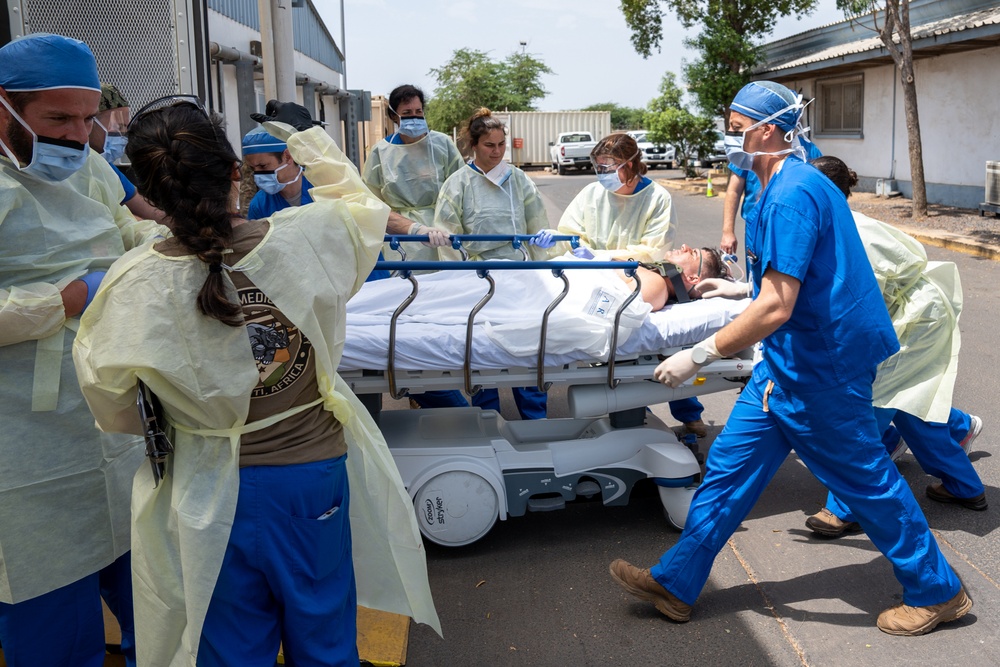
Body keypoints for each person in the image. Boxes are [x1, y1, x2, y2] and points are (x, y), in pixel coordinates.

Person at [73, 98, 439, 666]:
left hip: (205, 489)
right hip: (307, 479)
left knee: (229, 647)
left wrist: (196, 411)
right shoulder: (307, 240)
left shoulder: (131, 283)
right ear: (237, 172)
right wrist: (311, 140)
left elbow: (114, 408)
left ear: (144, 189)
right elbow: (364, 211)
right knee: (323, 637)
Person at [608, 80, 971, 636]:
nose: (728, 139)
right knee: (727, 472)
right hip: (784, 365)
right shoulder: (770, 186)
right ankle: (677, 582)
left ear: (769, 130)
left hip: (824, 367)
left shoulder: (794, 191)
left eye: (735, 130)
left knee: (867, 483)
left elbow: (780, 304)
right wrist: (741, 293)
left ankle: (938, 590)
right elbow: (779, 283)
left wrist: (700, 352)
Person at [0, 33, 167, 666]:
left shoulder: (81, 159)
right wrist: (67, 298)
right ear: (5, 106)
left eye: (88, 117)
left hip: (110, 409)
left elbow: (134, 223)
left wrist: (186, 239)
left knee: (149, 588)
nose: (77, 134)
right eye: (58, 119)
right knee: (51, 609)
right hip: (24, 440)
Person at [801, 155, 986, 536]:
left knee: (870, 409)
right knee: (908, 405)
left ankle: (844, 508)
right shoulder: (835, 224)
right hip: (910, 312)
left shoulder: (849, 234)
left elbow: (860, 306)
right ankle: (964, 485)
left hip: (914, 319)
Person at [559, 132, 708, 437]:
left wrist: (604, 256)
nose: (602, 174)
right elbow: (571, 231)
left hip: (647, 280)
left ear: (631, 165)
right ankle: (641, 415)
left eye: (608, 168)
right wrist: (575, 248)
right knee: (623, 357)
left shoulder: (656, 198)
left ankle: (689, 414)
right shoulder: (591, 195)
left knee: (662, 348)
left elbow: (654, 249)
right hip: (602, 280)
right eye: (598, 168)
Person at [434, 107, 555, 419]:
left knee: (527, 348)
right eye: (490, 146)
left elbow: (535, 222)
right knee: (481, 351)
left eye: (502, 145)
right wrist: (459, 278)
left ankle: (535, 419)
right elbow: (448, 238)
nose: (497, 152)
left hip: (518, 275)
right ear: (473, 145)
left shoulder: (519, 180)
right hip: (477, 278)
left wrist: (544, 261)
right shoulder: (457, 184)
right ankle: (487, 419)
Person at [362, 84, 468, 410]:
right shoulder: (380, 153)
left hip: (443, 233)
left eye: (418, 113)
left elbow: (462, 189)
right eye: (407, 114)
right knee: (410, 309)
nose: (413, 119)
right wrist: (411, 228)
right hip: (402, 240)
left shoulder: (442, 145)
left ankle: (444, 379)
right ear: (394, 115)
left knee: (447, 311)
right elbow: (371, 204)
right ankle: (419, 388)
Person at [721, 130, 821, 255]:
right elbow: (734, 190)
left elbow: (819, 192)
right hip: (757, 227)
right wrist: (727, 231)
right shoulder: (752, 147)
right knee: (758, 272)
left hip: (795, 229)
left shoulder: (809, 150)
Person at [88, 82, 167, 223]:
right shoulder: (75, 169)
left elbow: (143, 206)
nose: (123, 135)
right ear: (89, 122)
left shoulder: (106, 168)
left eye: (126, 128)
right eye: (118, 126)